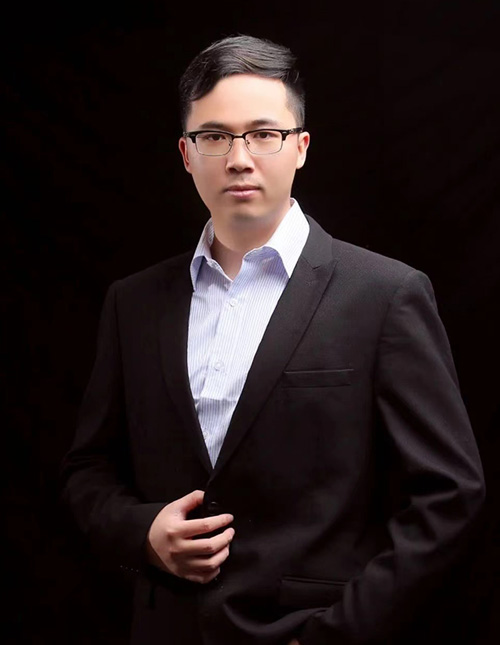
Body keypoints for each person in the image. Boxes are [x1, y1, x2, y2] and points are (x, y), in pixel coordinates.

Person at [60, 35, 485, 645]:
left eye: (264, 133)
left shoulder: (385, 295)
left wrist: (338, 634)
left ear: (301, 147)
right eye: (214, 136)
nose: (239, 158)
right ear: (186, 154)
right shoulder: (134, 303)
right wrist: (142, 534)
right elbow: (88, 470)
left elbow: (449, 497)